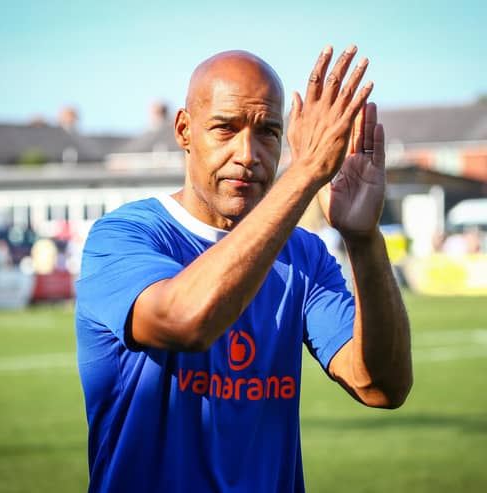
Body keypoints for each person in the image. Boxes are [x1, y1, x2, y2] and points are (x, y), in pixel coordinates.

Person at [76, 45, 412, 492]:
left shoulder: (304, 255)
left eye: (269, 132)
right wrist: (307, 171)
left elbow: (381, 386)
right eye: (225, 128)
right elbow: (186, 320)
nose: (248, 153)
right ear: (184, 130)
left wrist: (364, 240)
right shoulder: (124, 236)